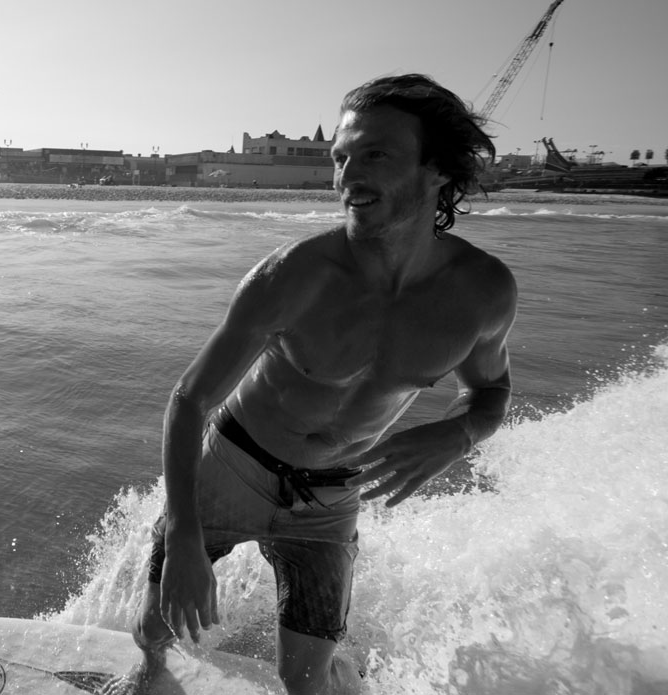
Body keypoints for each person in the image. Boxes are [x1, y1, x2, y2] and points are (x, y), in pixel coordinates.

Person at [102, 74, 516, 695]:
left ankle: (333, 668)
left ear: (438, 169)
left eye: (375, 154)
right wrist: (185, 535)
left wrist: (458, 434)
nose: (348, 174)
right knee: (157, 624)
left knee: (305, 682)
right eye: (341, 157)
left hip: (329, 500)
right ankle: (150, 675)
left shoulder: (482, 293)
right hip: (232, 466)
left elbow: (490, 394)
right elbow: (190, 398)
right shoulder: (292, 275)